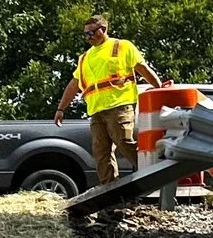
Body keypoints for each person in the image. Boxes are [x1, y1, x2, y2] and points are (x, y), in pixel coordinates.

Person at [53, 14, 163, 185]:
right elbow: (74, 84)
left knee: (124, 141)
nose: (87, 37)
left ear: (103, 30)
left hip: (119, 104)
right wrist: (61, 109)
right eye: (85, 34)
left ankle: (153, 174)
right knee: (100, 152)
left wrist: (160, 87)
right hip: (96, 111)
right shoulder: (84, 58)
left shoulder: (122, 46)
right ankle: (110, 190)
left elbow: (142, 68)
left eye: (91, 33)